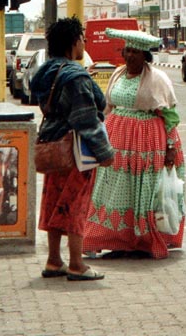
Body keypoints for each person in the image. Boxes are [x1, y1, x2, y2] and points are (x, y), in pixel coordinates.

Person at [84, 28, 185, 259]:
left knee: (145, 192)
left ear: (145, 56)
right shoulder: (118, 74)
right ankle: (109, 238)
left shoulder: (157, 80)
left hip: (146, 146)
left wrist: (170, 149)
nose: (129, 56)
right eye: (127, 51)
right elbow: (109, 107)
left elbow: (170, 117)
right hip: (117, 146)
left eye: (136, 52)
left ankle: (143, 239)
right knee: (112, 190)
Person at [30, 17, 114, 281]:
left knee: (53, 202)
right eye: (82, 38)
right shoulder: (75, 77)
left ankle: (54, 260)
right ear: (73, 42)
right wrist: (105, 153)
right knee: (76, 205)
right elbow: (86, 119)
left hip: (53, 146)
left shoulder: (47, 72)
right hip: (75, 151)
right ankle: (77, 264)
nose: (84, 43)